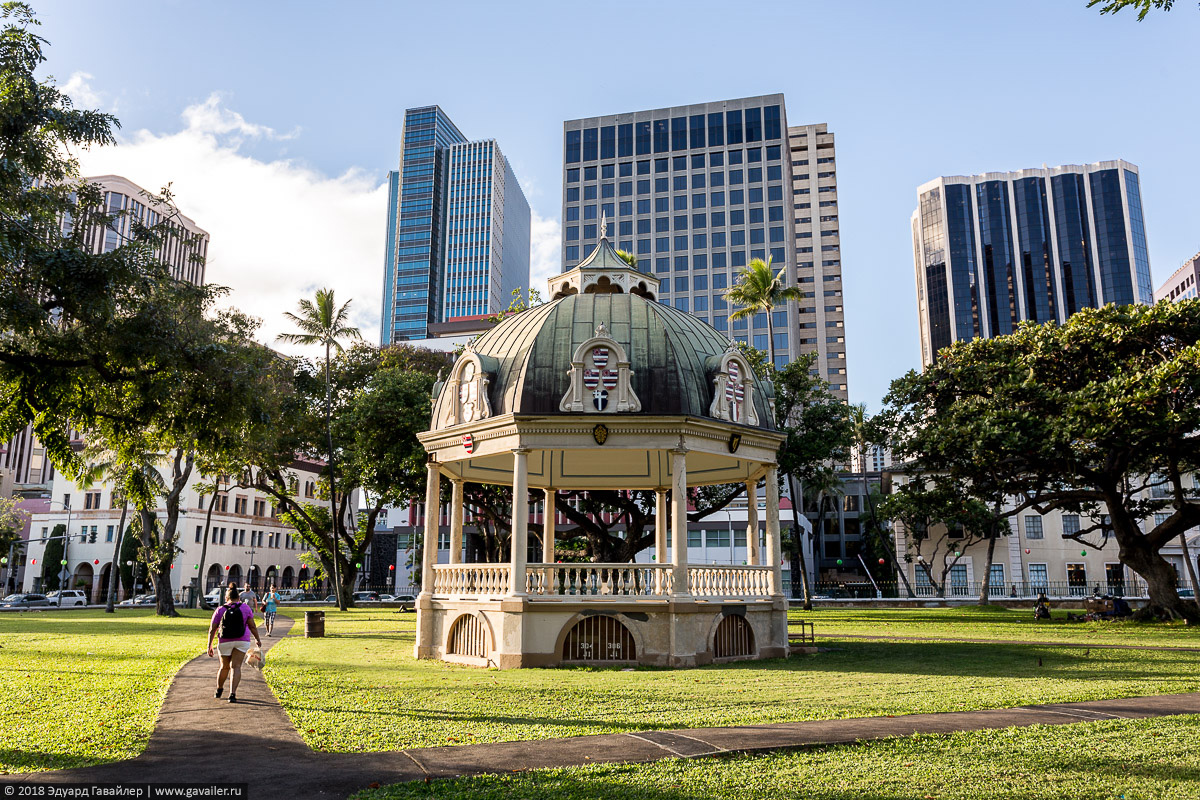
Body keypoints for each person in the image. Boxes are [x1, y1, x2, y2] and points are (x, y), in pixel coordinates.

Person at [206, 586, 262, 703]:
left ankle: (219, 690)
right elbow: (252, 625)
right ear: (239, 597)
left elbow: (213, 629)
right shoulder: (245, 608)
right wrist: (257, 638)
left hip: (224, 641)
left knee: (224, 667)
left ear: (227, 597)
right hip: (242, 641)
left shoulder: (220, 609)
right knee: (236, 667)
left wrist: (209, 645)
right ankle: (232, 694)